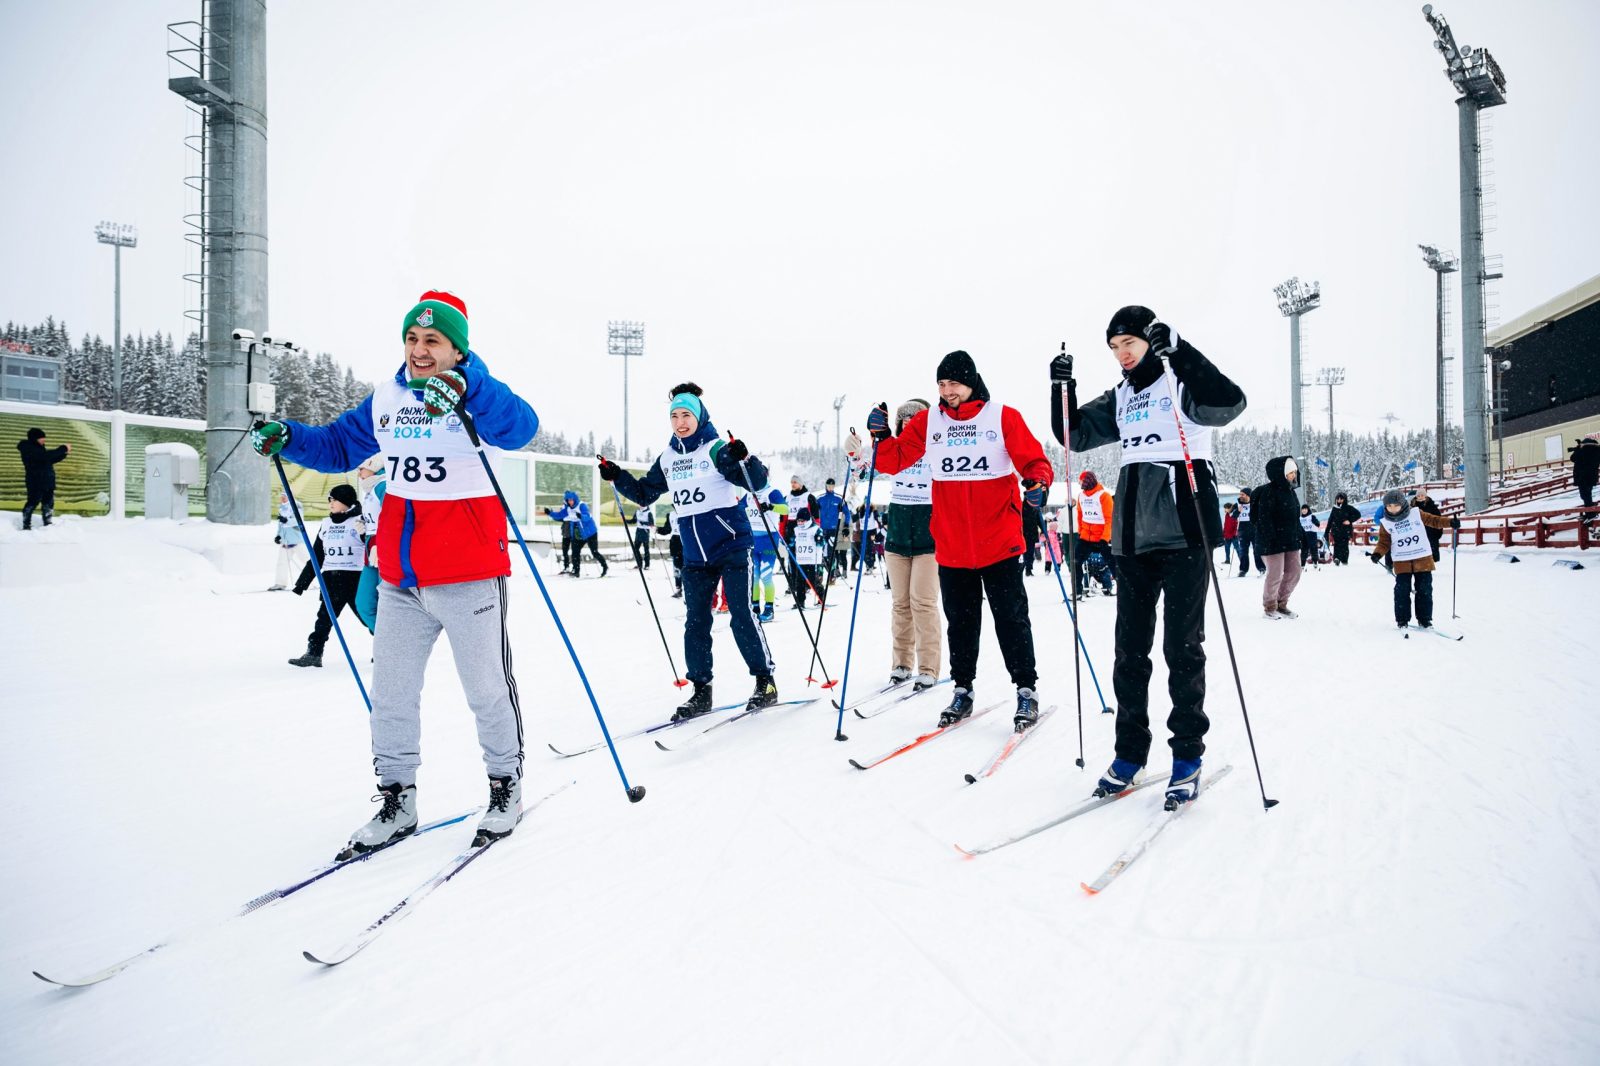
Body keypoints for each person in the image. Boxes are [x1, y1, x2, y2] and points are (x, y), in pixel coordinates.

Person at [250, 289, 539, 854]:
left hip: (469, 573)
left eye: (433, 340)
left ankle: (505, 785)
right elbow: (338, 445)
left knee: (485, 688)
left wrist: (469, 388)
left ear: (457, 350)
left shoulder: (477, 395)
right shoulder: (387, 397)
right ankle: (397, 798)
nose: (419, 350)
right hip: (402, 577)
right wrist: (291, 437)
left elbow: (521, 427)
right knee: (391, 695)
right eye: (412, 338)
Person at [1052, 307, 1246, 807]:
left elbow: (1229, 402)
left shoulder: (1180, 380)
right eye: (1114, 347)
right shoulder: (1122, 395)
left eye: (1130, 343)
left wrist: (1180, 350)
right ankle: (1129, 754)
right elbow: (1074, 435)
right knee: (1129, 653)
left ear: (1149, 340)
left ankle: (1187, 758)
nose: (1122, 353)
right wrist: (1061, 390)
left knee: (1182, 650)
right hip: (1133, 535)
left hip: (1184, 532)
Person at [868, 349, 1054, 731]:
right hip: (952, 545)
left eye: (953, 383)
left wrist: (1038, 482)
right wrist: (882, 437)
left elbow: (1033, 460)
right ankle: (963, 689)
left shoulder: (1002, 416)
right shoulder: (929, 421)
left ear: (970, 382)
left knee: (1011, 620)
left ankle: (1026, 689)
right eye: (941, 384)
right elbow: (892, 460)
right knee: (961, 623)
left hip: (999, 541)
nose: (947, 390)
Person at [602, 383, 778, 718]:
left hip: (732, 545)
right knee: (696, 623)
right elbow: (643, 494)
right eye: (675, 416)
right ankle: (701, 691)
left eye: (686, 415)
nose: (680, 422)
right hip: (695, 553)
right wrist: (617, 476)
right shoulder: (668, 458)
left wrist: (746, 458)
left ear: (699, 417)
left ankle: (764, 682)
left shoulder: (716, 450)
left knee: (741, 615)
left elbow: (756, 482)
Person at [881, 399, 941, 689]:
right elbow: (864, 467)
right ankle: (902, 664)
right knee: (901, 604)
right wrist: (854, 452)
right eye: (903, 418)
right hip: (897, 537)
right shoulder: (893, 450)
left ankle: (928, 667)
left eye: (915, 418)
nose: (908, 422)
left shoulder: (937, 449)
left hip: (928, 539)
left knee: (923, 603)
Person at [288, 484, 369, 666]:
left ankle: (386, 650)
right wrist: (303, 583)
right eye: (329, 500)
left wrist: (365, 534)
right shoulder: (326, 524)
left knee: (367, 617)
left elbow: (373, 547)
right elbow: (317, 555)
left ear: (346, 502)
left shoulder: (359, 521)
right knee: (323, 619)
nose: (331, 503)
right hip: (332, 579)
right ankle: (314, 653)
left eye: (335, 499)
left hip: (355, 579)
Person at [1370, 488, 1461, 629]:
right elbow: (1383, 542)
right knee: (1401, 591)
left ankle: (1425, 620)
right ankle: (1402, 620)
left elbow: (1434, 520)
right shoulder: (1385, 523)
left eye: (1396, 505)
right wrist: (1377, 554)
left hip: (1422, 558)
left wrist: (1450, 522)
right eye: (1389, 506)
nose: (1392, 509)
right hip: (1402, 561)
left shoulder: (1416, 513)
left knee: (1424, 590)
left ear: (1402, 504)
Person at [1250, 457, 1305, 620]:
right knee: (1275, 574)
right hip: (1272, 541)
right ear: (1281, 473)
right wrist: (1270, 537)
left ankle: (1281, 603)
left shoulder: (1291, 492)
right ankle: (1270, 607)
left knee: (1294, 572)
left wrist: (1300, 536)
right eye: (1290, 472)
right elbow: (1264, 518)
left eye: (1295, 472)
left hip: (1290, 540)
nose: (1294, 475)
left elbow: (1294, 518)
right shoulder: (1268, 492)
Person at [352, 459, 387, 632]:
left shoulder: (384, 485)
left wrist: (383, 543)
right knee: (364, 604)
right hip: (370, 552)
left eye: (362, 468)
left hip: (384, 550)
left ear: (374, 465)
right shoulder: (370, 488)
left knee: (388, 604)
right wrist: (364, 524)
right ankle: (386, 641)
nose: (359, 473)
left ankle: (394, 643)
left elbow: (394, 517)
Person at [744, 485, 787, 621]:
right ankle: (755, 608)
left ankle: (769, 609)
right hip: (753, 540)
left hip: (768, 540)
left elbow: (785, 509)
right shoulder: (749, 494)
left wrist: (770, 507)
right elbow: (739, 507)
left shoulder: (772, 492)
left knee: (766, 576)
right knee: (754, 577)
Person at [546, 490, 608, 577]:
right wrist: (550, 513)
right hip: (578, 534)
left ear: (575, 499)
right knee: (575, 552)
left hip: (590, 533)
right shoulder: (568, 508)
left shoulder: (582, 505)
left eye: (571, 500)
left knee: (594, 552)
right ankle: (576, 571)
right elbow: (560, 515)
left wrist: (581, 516)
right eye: (568, 500)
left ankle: (605, 566)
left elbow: (587, 516)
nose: (570, 502)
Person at [16, 427, 69, 530]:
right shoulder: (28, 448)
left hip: (47, 481)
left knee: (48, 504)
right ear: (35, 438)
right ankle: (26, 525)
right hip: (36, 481)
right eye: (41, 438)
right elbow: (44, 456)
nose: (44, 440)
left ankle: (47, 524)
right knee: (32, 502)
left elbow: (48, 460)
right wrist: (63, 448)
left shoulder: (39, 449)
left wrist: (63, 455)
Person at [1075, 470, 1115, 596]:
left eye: (1081, 481)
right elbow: (1080, 516)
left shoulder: (1104, 496)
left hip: (1102, 538)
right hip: (1085, 538)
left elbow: (1109, 519)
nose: (1080, 483)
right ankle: (1077, 591)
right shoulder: (1081, 496)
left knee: (1114, 564)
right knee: (1076, 562)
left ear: (1088, 481)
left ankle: (1125, 590)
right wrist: (1080, 532)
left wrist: (1105, 538)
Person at [270, 487, 308, 591]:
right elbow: (281, 524)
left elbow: (298, 521)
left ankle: (321, 580)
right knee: (281, 563)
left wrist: (286, 520)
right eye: (282, 496)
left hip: (296, 540)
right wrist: (279, 536)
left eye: (285, 496)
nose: (282, 498)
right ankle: (280, 583)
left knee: (308, 562)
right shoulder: (282, 507)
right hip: (286, 541)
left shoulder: (297, 505)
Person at [1233, 488, 1265, 576]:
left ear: (1248, 495)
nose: (1240, 496)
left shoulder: (1255, 504)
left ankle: (1261, 568)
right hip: (1243, 531)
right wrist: (1237, 511)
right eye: (1240, 494)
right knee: (1243, 551)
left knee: (1257, 551)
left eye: (1242, 494)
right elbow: (1232, 517)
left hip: (1254, 531)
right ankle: (1243, 570)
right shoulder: (1237, 505)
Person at [1326, 492, 1360, 565]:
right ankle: (1336, 559)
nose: (1339, 500)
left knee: (1344, 545)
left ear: (1344, 499)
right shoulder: (1335, 508)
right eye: (1338, 499)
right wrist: (1327, 531)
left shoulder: (1348, 507)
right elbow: (1330, 520)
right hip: (1336, 530)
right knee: (1336, 545)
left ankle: (1344, 560)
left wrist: (1349, 520)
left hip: (1345, 530)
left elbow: (1358, 515)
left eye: (1341, 499)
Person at [1571, 433, 1600, 519]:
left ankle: (1590, 514)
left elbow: (1572, 458)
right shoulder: (1597, 450)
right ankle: (1589, 513)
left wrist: (1577, 449)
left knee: (1584, 495)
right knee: (1587, 494)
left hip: (1582, 476)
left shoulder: (1582, 450)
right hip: (1591, 476)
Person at [1412, 490, 1444, 563]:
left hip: (1431, 533)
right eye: (1418, 496)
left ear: (1425, 496)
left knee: (1432, 556)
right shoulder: (1412, 507)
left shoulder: (1432, 507)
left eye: (1422, 495)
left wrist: (1438, 533)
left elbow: (1438, 520)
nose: (1420, 497)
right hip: (1417, 534)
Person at [1298, 504, 1322, 568]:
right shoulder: (1300, 518)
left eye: (1305, 509)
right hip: (1304, 536)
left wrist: (1315, 522)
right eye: (1303, 509)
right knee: (1304, 550)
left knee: (1313, 549)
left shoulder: (1311, 516)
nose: (1304, 510)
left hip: (1312, 535)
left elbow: (1318, 523)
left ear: (1308, 510)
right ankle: (1302, 564)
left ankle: (1315, 562)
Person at [632, 504, 654, 568]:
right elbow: (634, 520)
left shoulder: (649, 513)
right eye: (640, 505)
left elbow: (651, 523)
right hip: (638, 531)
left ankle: (647, 565)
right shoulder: (637, 512)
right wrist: (626, 520)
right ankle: (639, 563)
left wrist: (644, 523)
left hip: (645, 531)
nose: (641, 506)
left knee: (646, 548)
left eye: (642, 505)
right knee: (635, 548)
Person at [1221, 502, 1239, 566]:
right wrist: (1224, 533)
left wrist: (1235, 533)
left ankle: (1242, 560)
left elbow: (1236, 525)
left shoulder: (1234, 514)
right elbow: (1226, 524)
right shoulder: (1227, 515)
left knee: (1237, 548)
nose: (1225, 510)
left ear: (1229, 508)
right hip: (1227, 536)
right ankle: (1227, 560)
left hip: (1233, 536)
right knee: (1227, 548)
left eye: (1225, 508)